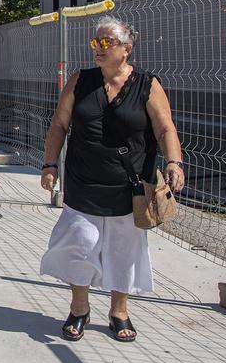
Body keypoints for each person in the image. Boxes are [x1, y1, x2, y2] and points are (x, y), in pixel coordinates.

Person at [39, 17, 185, 343]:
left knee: (124, 249)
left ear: (126, 49)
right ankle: (79, 307)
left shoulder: (147, 85)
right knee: (79, 241)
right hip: (83, 181)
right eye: (96, 42)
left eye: (106, 42)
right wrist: (50, 164)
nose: (98, 48)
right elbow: (59, 125)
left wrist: (174, 162)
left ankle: (119, 311)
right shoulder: (81, 80)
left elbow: (164, 128)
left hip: (128, 186)